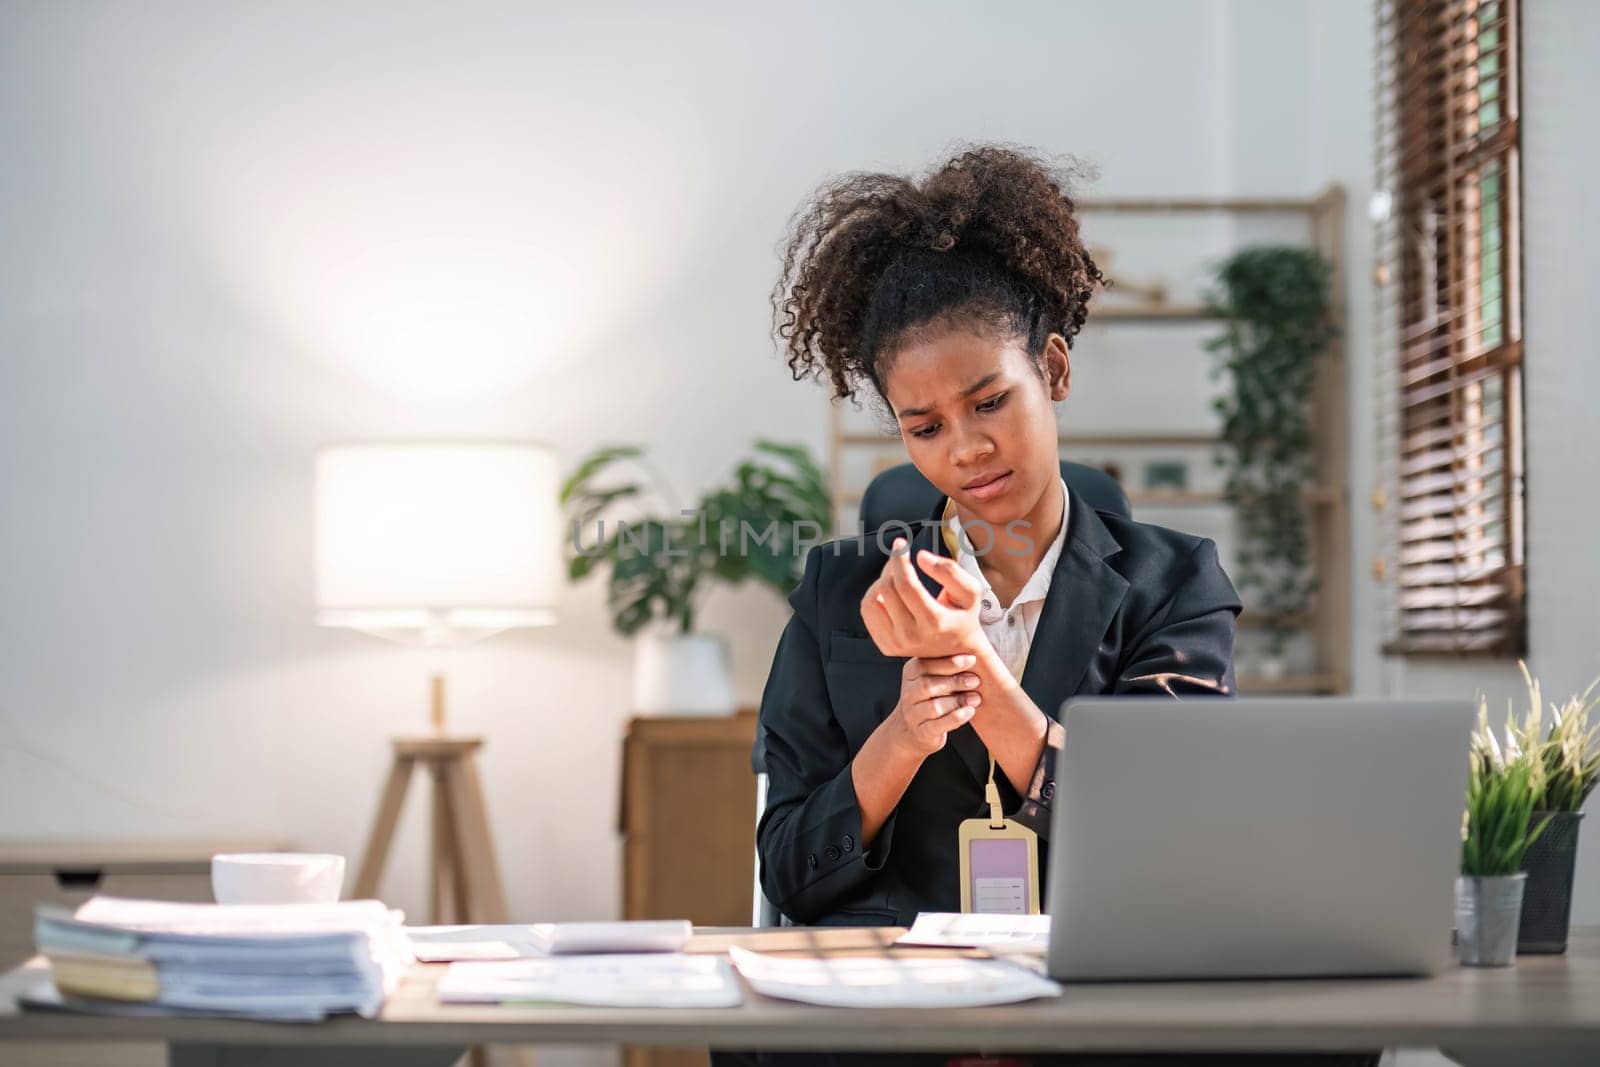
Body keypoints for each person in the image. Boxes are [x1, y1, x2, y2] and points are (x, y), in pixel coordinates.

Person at [716, 146, 1377, 1067]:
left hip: (1095, 987)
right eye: (925, 426)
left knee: (1327, 1040)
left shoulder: (1175, 584)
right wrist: (903, 734)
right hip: (899, 997)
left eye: (991, 401)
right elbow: (789, 865)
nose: (967, 449)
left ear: (1054, 370)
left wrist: (973, 670)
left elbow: (1164, 833)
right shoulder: (840, 593)